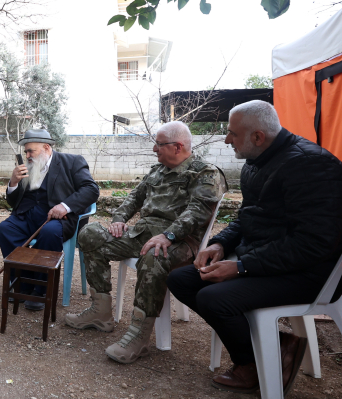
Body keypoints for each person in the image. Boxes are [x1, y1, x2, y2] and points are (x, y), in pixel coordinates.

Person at [167, 100, 342, 395]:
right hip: (268, 262)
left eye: (232, 133)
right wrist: (221, 244)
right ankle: (278, 347)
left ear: (258, 137)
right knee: (181, 278)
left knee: (214, 299)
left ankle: (252, 365)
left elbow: (313, 244)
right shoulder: (258, 163)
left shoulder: (312, 166)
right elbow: (247, 217)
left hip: (311, 275)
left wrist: (242, 266)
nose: (226, 139)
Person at [65, 121, 227, 364]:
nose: (154, 149)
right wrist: (119, 220)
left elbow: (197, 213)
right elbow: (134, 198)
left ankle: (139, 335)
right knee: (90, 234)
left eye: (159, 144)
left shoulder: (205, 174)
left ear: (178, 146)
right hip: (142, 234)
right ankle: (100, 312)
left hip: (180, 241)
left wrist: (168, 235)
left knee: (155, 253)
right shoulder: (158, 170)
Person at [0, 128, 99, 311]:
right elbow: (14, 202)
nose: (27, 155)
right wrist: (13, 182)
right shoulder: (28, 167)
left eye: (31, 151)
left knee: (49, 232)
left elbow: (91, 190)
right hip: (28, 215)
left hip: (58, 218)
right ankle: (22, 282)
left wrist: (65, 206)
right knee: (5, 229)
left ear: (46, 147)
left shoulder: (72, 162)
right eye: (26, 151)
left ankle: (41, 288)